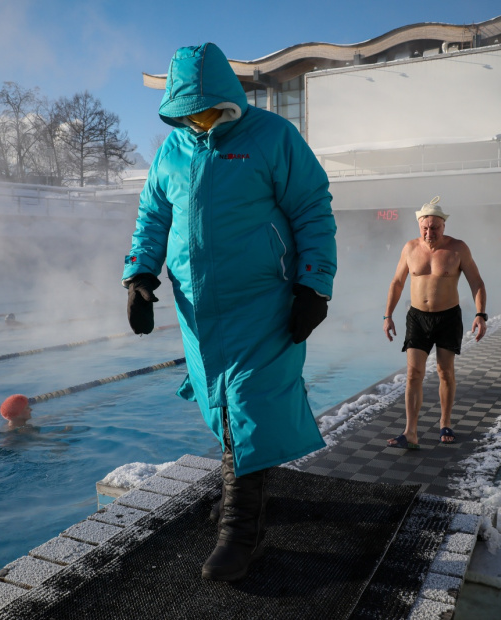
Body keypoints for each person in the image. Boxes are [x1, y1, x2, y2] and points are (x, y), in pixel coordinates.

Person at [122, 42, 337, 582]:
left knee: (247, 400)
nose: (201, 119)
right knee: (223, 405)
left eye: (209, 108)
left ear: (227, 98)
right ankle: (242, 500)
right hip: (199, 308)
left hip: (262, 300)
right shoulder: (173, 149)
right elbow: (152, 215)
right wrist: (139, 275)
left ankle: (240, 532)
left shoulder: (272, 137)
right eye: (190, 110)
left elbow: (311, 207)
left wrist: (315, 286)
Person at [383, 196, 487, 448]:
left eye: (434, 228)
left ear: (444, 226)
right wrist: (388, 315)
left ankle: (445, 422)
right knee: (413, 374)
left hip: (448, 317)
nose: (429, 233)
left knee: (445, 372)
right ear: (419, 226)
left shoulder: (458, 249)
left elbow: (477, 282)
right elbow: (397, 283)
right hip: (417, 318)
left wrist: (480, 314)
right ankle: (410, 433)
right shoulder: (410, 248)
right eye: (425, 228)